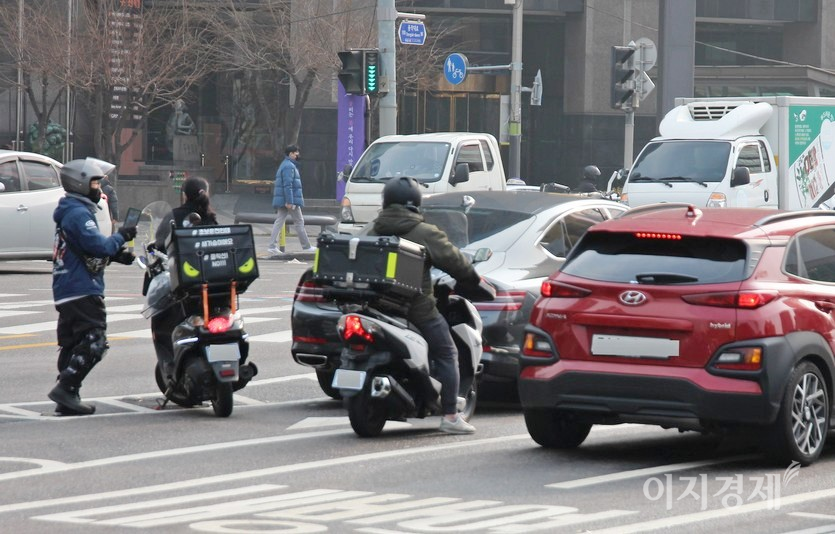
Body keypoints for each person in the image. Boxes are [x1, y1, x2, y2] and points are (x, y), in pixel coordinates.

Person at [370, 176, 482, 435]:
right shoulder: (424, 232)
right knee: (447, 352)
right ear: (415, 202)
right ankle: (451, 416)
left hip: (375, 307)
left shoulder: (372, 228)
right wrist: (473, 279)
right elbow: (456, 262)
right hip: (415, 308)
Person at [49, 158, 136, 415]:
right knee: (95, 341)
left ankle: (68, 396)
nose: (99, 189)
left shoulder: (72, 210)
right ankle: (66, 387)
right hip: (82, 287)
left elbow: (86, 249)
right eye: (96, 183)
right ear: (81, 184)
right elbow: (98, 245)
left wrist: (116, 255)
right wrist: (122, 236)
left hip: (68, 287)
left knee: (74, 343)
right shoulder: (77, 213)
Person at [150, 176, 218, 377]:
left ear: (184, 195)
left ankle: (172, 365)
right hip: (213, 283)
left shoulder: (174, 216)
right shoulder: (211, 218)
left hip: (184, 286)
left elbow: (159, 245)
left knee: (163, 320)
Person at [267, 144, 315, 255]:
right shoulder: (289, 166)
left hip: (284, 199)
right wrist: (290, 201)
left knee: (279, 221)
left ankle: (272, 246)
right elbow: (288, 185)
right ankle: (306, 247)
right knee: (299, 222)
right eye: (296, 152)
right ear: (291, 154)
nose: (298, 154)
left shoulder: (286, 164)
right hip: (289, 200)